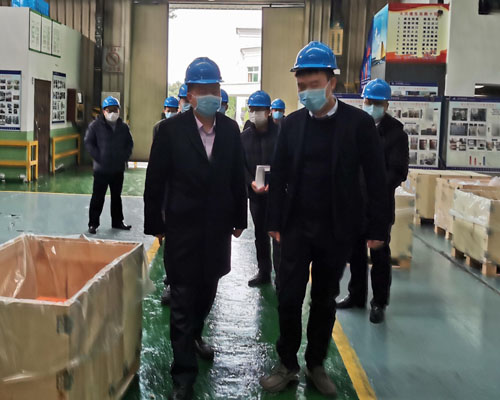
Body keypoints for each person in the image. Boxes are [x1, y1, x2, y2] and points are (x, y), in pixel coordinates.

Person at [260, 42, 390, 397]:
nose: (306, 92)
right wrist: (273, 221)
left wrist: (378, 228)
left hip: (336, 227)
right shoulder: (291, 125)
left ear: (332, 82)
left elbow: (376, 180)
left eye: (313, 84)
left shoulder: (359, 125)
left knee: (324, 298)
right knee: (288, 296)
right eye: (301, 86)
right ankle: (287, 363)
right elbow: (278, 175)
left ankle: (316, 363)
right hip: (296, 227)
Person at [144, 57, 247, 400]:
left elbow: (236, 176)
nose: (209, 95)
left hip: (217, 230)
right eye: (202, 90)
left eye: (214, 88)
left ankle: (196, 334)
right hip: (182, 230)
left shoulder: (230, 130)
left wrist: (240, 218)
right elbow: (155, 181)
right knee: (182, 300)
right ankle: (183, 375)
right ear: (189, 95)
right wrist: (156, 224)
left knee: (207, 291)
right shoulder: (170, 131)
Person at [337, 78, 409, 324]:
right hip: (355, 204)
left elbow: (398, 172)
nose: (372, 106)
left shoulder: (396, 134)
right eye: (368, 101)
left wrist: (373, 186)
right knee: (355, 253)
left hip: (379, 205)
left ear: (386, 105)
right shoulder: (355, 128)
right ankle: (356, 295)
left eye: (377, 103)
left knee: (378, 255)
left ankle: (379, 302)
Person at [240, 90, 280, 288]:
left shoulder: (281, 135)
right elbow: (240, 166)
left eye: (259, 109)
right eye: (252, 109)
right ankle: (264, 272)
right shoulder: (244, 138)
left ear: (269, 111)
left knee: (278, 234)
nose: (255, 113)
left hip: (278, 195)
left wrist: (277, 183)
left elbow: (288, 163)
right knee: (260, 235)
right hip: (256, 195)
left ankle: (280, 275)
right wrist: (250, 182)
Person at [84, 96, 134, 235]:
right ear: (104, 111)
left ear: (119, 111)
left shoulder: (123, 127)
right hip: (101, 170)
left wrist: (124, 157)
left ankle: (118, 222)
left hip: (117, 169)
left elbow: (129, 143)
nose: (112, 112)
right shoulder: (95, 126)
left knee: (116, 197)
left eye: (115, 109)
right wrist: (98, 157)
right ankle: (93, 224)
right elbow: (89, 142)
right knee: (97, 197)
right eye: (109, 110)